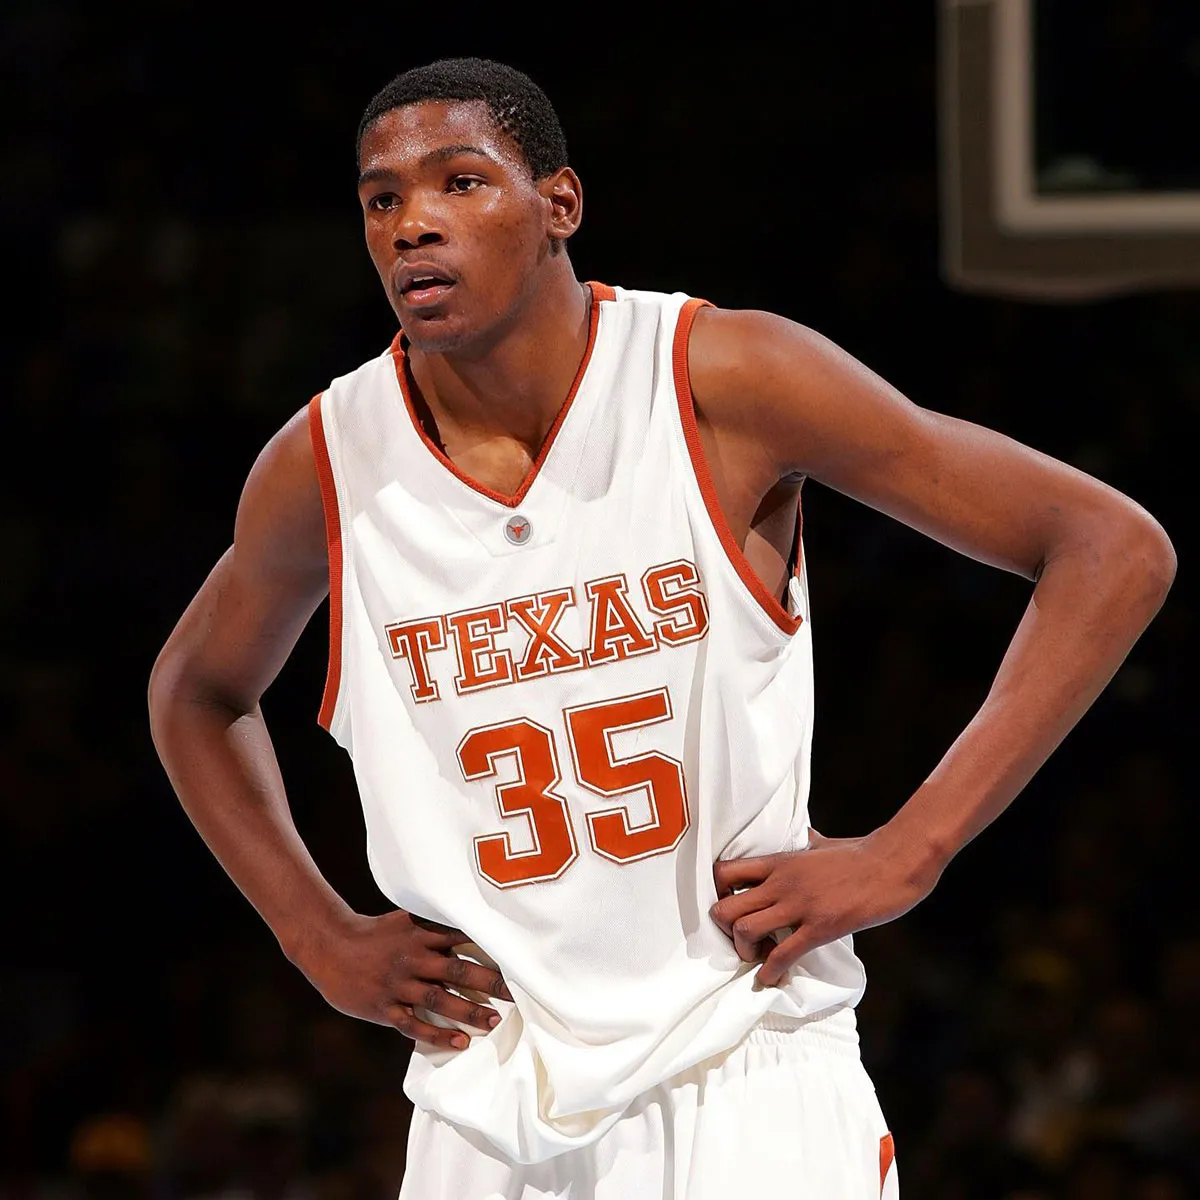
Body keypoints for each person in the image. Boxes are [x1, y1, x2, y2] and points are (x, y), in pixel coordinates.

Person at [147, 57, 1176, 1199]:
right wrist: (316, 935)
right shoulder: (327, 462)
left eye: (460, 183)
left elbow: (1110, 547)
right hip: (485, 1092)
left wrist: (912, 848)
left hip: (746, 1060)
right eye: (381, 199)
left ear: (560, 204)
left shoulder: (720, 377)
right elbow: (195, 692)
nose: (412, 225)